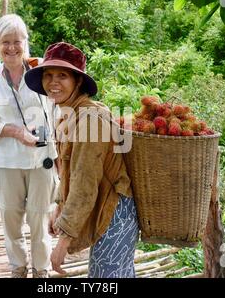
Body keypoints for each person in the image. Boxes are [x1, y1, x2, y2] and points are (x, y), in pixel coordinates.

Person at [24, 42, 139, 278]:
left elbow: (84, 184)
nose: (53, 82)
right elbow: (67, 170)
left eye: (62, 75)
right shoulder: (67, 114)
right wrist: (58, 206)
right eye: (48, 75)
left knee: (107, 277)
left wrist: (63, 243)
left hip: (114, 209)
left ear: (78, 81)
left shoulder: (91, 118)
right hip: (100, 207)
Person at [0, 14, 58, 278]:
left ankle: (41, 271)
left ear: (26, 41)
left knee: (39, 221)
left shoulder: (42, 70)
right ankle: (18, 269)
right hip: (6, 163)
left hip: (40, 161)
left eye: (17, 41)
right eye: (5, 42)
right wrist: (16, 132)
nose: (11, 47)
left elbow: (60, 106)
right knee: (11, 224)